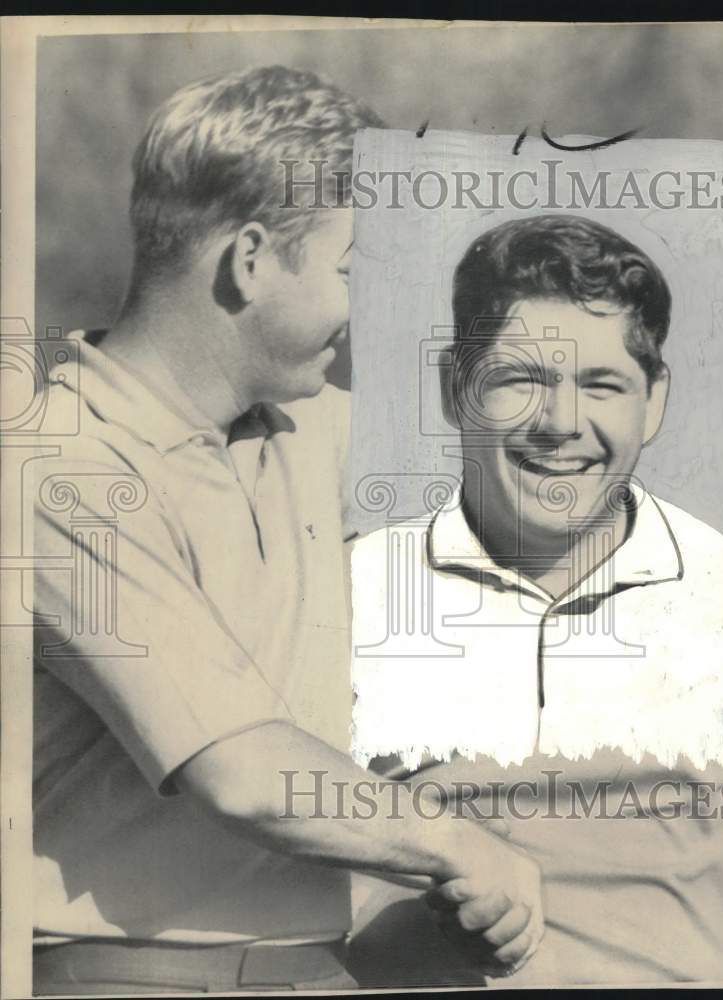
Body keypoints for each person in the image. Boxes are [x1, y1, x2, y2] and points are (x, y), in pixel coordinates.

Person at [32, 66, 544, 995]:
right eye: (352, 269)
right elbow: (241, 770)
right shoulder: (54, 464)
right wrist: (453, 845)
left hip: (320, 969)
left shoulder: (314, 428)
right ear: (252, 259)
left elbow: (545, 499)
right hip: (121, 976)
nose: (366, 308)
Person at [350, 214, 723, 986]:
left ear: (652, 402)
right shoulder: (350, 591)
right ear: (454, 387)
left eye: (602, 384)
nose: (560, 424)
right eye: (523, 380)